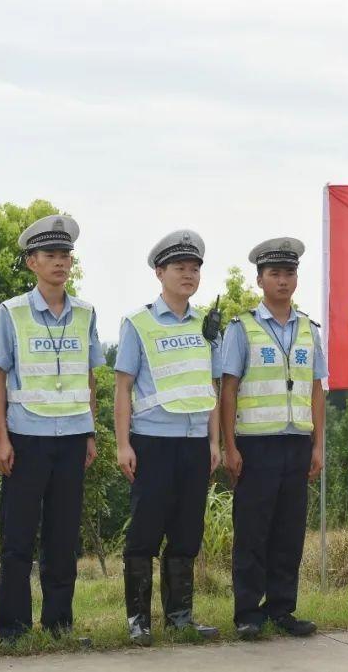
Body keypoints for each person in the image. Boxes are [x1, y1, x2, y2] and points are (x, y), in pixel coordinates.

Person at [0, 214, 104, 643]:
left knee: (62, 537)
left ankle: (59, 624)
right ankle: (13, 629)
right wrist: (2, 438)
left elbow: (89, 376)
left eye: (65, 255)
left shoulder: (86, 313)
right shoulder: (12, 312)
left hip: (72, 437)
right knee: (18, 538)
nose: (60, 262)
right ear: (31, 263)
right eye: (50, 255)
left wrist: (90, 430)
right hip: (26, 436)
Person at [114, 230, 223, 645]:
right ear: (160, 272)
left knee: (187, 531)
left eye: (194, 268)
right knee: (144, 531)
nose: (188, 275)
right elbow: (122, 387)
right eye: (180, 267)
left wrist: (214, 443)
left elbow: (208, 386)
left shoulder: (207, 325)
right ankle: (138, 620)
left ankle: (180, 616)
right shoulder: (138, 323)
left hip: (195, 443)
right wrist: (123, 444)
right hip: (152, 442)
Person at [220, 237, 326, 641]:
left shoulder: (308, 330)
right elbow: (228, 389)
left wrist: (317, 445)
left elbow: (316, 389)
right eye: (275, 274)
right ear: (260, 279)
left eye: (289, 273)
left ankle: (282, 609)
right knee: (252, 531)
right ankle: (248, 613)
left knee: (289, 532)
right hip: (255, 444)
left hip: (297, 443)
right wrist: (229, 446)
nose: (283, 281)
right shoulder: (242, 328)